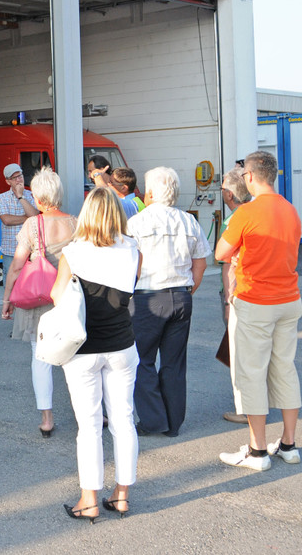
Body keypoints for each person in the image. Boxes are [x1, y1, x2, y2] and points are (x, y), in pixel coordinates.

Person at [52, 187, 141, 522]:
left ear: (87, 213)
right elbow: (132, 285)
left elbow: (58, 295)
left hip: (84, 348)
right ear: (117, 214)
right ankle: (121, 496)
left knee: (88, 426)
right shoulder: (132, 248)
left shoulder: (73, 252)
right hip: (122, 344)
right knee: (123, 420)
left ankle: (89, 500)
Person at [216, 151, 302, 472]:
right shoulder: (290, 210)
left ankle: (257, 451)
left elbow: (221, 252)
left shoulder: (246, 213)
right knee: (285, 368)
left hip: (256, 300)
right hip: (289, 298)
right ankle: (289, 445)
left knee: (252, 373)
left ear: (250, 177)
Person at [126, 167, 210, 438]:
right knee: (174, 362)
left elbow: (130, 265)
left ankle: (153, 420)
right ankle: (173, 423)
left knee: (142, 360)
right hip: (181, 296)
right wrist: (189, 290)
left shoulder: (137, 223)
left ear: (149, 192)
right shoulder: (189, 221)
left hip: (149, 297)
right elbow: (201, 263)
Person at [0, 167, 76, 437]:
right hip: (68, 297)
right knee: (75, 356)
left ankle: (47, 418)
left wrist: (8, 299)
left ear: (40, 199)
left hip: (39, 299)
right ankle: (90, 412)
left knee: (40, 356)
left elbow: (17, 267)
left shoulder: (33, 225)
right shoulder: (75, 223)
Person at [218, 167, 251, 425]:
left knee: (240, 352)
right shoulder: (258, 213)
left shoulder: (234, 221)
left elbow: (226, 261)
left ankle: (245, 408)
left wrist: (229, 300)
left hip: (240, 293)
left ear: (229, 193)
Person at [0, 163, 40, 282]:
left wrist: (21, 197)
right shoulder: (1, 198)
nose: (18, 180)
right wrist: (28, 217)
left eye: (20, 176)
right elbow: (6, 220)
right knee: (10, 288)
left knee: (29, 288)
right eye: (14, 178)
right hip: (10, 252)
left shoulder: (32, 195)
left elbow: (36, 216)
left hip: (31, 251)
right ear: (8, 181)